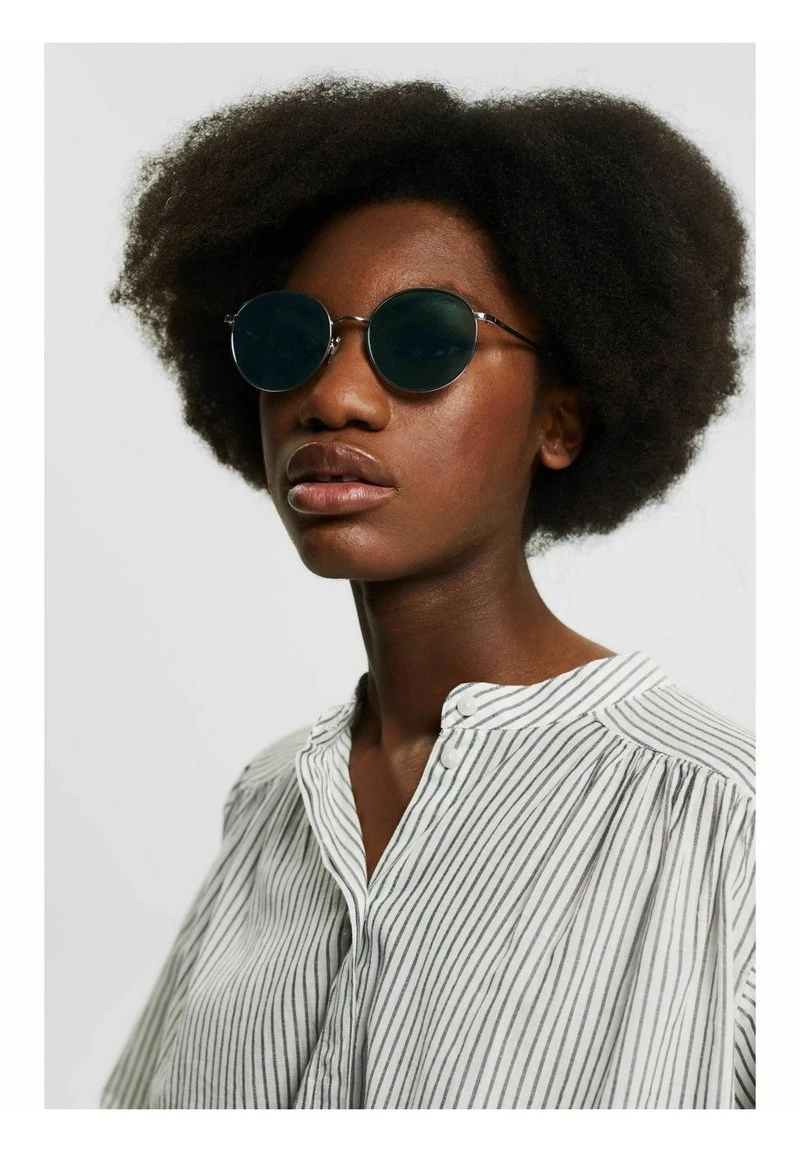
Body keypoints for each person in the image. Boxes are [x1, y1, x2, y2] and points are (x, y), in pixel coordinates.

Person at [99, 74, 754, 1109]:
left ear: (559, 422)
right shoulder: (270, 802)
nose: (332, 397)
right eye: (288, 341)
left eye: (423, 340)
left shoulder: (727, 819)